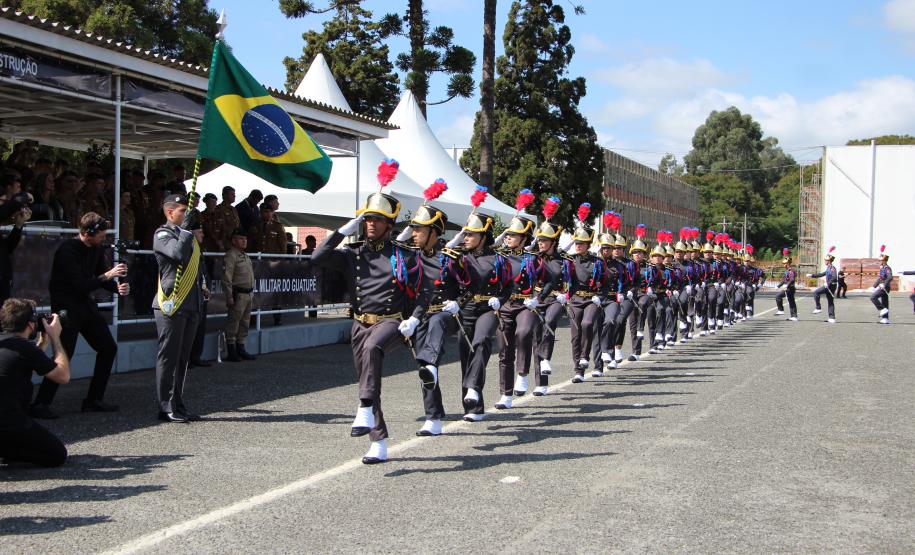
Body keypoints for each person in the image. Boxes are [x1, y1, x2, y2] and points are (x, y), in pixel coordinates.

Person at [311, 186, 427, 464]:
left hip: (391, 321)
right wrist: (341, 231)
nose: (370, 223)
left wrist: (415, 319)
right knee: (367, 379)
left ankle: (363, 407)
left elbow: (425, 293)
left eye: (377, 219)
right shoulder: (353, 254)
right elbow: (317, 258)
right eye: (367, 218)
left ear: (389, 225)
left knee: (374, 350)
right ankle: (379, 442)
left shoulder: (405, 255)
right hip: (360, 323)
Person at [31, 213, 128, 419]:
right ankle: (41, 403)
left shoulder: (96, 248)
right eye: (100, 235)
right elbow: (81, 284)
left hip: (85, 306)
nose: (103, 239)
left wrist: (117, 287)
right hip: (67, 308)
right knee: (64, 353)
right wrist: (108, 275)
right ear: (86, 233)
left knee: (108, 348)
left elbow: (101, 278)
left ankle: (93, 399)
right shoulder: (67, 251)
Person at [395, 193, 458, 436]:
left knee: (435, 331)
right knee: (425, 366)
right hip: (419, 317)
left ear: (434, 232)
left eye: (420, 230)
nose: (415, 234)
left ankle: (433, 413)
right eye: (414, 230)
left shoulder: (450, 258)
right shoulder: (411, 257)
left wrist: (458, 303)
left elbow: (469, 286)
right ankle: (433, 417)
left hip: (446, 315)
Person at [452, 199, 514, 421]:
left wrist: (500, 298)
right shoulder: (459, 257)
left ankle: (473, 388)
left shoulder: (498, 258)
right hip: (466, 308)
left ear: (482, 237)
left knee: (481, 342)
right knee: (466, 356)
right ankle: (473, 408)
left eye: (470, 234)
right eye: (465, 234)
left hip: (488, 308)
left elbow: (509, 285)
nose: (466, 238)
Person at [152, 194, 205, 423]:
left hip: (191, 302)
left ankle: (179, 403)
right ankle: (166, 406)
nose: (186, 215)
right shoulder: (163, 234)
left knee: (184, 357)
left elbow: (195, 264)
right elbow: (177, 255)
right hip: (172, 302)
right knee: (169, 357)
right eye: (182, 211)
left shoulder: (188, 236)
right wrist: (185, 231)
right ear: (169, 212)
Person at [0, 299, 70, 467]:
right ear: (31, 325)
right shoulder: (25, 348)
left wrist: (41, 344)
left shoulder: (10, 345)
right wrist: (55, 339)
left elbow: (23, 360)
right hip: (8, 421)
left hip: (6, 418)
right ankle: (6, 451)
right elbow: (63, 376)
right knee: (57, 454)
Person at [493, 214, 536, 409]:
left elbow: (551, 279)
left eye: (513, 235)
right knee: (504, 350)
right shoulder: (499, 256)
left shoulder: (532, 259)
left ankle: (523, 373)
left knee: (524, 332)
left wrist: (538, 298)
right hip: (504, 306)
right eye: (507, 235)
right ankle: (506, 394)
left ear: (524, 238)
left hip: (524, 304)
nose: (508, 237)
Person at [529, 198, 570, 396]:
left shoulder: (564, 261)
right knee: (537, 336)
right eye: (539, 240)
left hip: (556, 299)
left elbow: (573, 281)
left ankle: (546, 358)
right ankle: (541, 383)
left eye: (544, 240)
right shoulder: (533, 258)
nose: (541, 243)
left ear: (554, 242)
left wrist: (566, 295)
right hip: (537, 299)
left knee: (550, 322)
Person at [564, 204, 607, 382]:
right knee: (575, 336)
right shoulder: (570, 260)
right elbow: (560, 253)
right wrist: (573, 238)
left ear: (588, 244)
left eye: (581, 243)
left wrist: (599, 296)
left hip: (591, 299)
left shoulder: (597, 262)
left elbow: (605, 283)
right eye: (577, 243)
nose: (578, 246)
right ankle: (578, 370)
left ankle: (585, 356)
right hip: (575, 299)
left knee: (587, 324)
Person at [222, 228, 256, 362]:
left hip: (248, 294)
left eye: (245, 239)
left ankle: (241, 348)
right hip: (238, 294)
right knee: (234, 322)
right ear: (234, 240)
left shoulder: (245, 256)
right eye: (241, 239)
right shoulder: (231, 255)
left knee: (245, 323)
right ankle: (231, 350)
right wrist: (229, 296)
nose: (244, 241)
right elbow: (226, 277)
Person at [0, 181, 32, 304]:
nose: (4, 205)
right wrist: (26, 196)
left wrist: (19, 225)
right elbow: (12, 205)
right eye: (2, 202)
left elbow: (7, 248)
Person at [188, 215, 212, 368]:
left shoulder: (198, 250)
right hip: (190, 295)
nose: (202, 235)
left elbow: (202, 272)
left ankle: (196, 356)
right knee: (189, 330)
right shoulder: (187, 250)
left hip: (201, 294)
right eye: (199, 232)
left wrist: (205, 287)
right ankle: (186, 358)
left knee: (200, 327)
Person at [808, 246, 839, 323]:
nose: (824, 261)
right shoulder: (828, 268)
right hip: (829, 285)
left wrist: (827, 283)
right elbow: (821, 274)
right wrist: (812, 275)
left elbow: (835, 277)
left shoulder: (832, 268)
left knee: (816, 292)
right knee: (830, 301)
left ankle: (818, 308)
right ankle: (832, 318)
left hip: (830, 286)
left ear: (828, 261)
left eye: (825, 260)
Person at [870, 246, 892, 324]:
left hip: (885, 287)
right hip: (882, 286)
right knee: (885, 302)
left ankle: (882, 309)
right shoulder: (882, 268)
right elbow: (880, 278)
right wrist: (874, 286)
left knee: (873, 297)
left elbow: (890, 277)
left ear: (884, 261)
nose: (879, 262)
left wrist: (884, 285)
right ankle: (885, 319)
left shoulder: (887, 268)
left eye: (881, 261)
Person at [213, 186, 240, 252]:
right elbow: (216, 228)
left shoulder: (234, 209)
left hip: (234, 244)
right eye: (232, 194)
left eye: (234, 194)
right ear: (224, 195)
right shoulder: (218, 209)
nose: (234, 196)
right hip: (224, 244)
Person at [775, 248, 798, 321]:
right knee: (778, 296)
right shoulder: (786, 271)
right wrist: (778, 286)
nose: (783, 264)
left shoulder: (791, 271)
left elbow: (792, 280)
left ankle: (794, 316)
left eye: (784, 263)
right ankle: (781, 310)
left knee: (791, 301)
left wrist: (787, 285)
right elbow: (783, 280)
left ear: (788, 263)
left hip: (790, 288)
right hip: (786, 288)